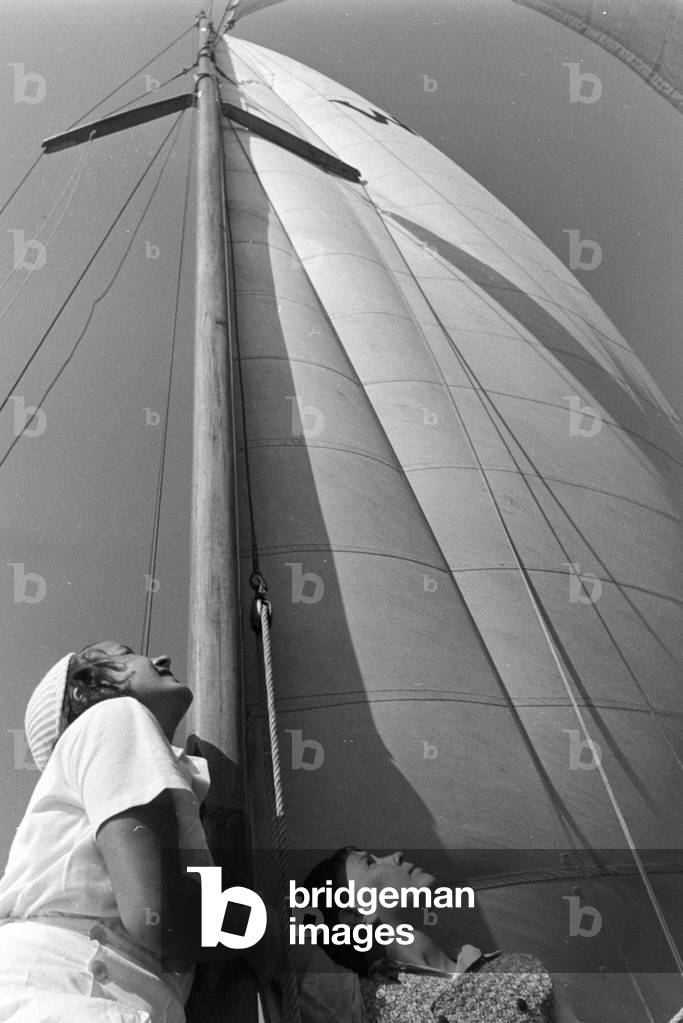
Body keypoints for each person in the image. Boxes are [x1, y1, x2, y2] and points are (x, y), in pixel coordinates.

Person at [0, 640, 222, 1023]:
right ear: (81, 690)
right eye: (123, 653)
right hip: (70, 993)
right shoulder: (117, 714)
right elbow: (156, 917)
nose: (161, 657)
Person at [301, 846, 555, 1023]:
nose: (396, 856)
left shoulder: (521, 969)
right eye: (370, 863)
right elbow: (267, 932)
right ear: (356, 916)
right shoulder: (361, 1003)